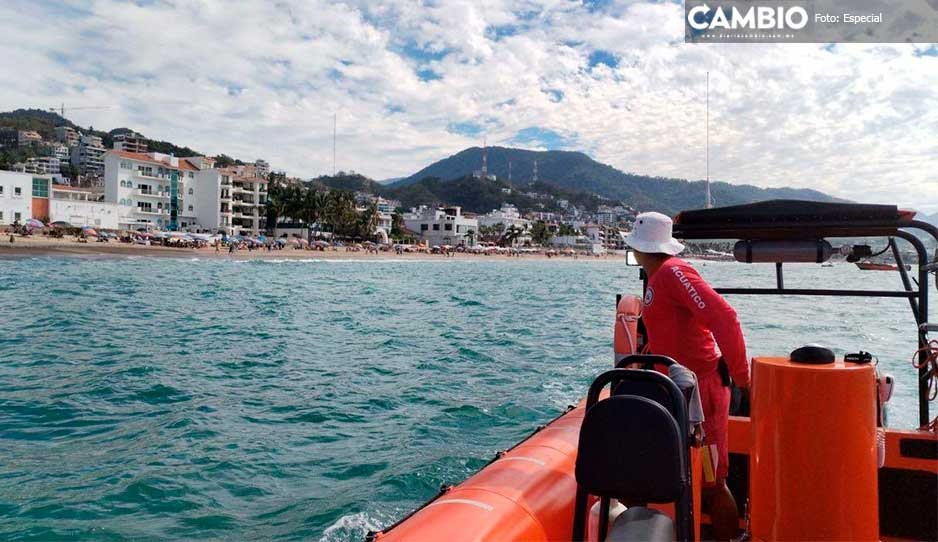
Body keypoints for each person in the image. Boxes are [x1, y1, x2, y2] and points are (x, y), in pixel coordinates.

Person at [625, 211, 749, 542]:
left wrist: (742, 378)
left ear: (639, 249)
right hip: (674, 391)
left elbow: (724, 316)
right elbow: (671, 330)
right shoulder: (658, 278)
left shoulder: (674, 272)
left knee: (712, 482)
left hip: (702, 393)